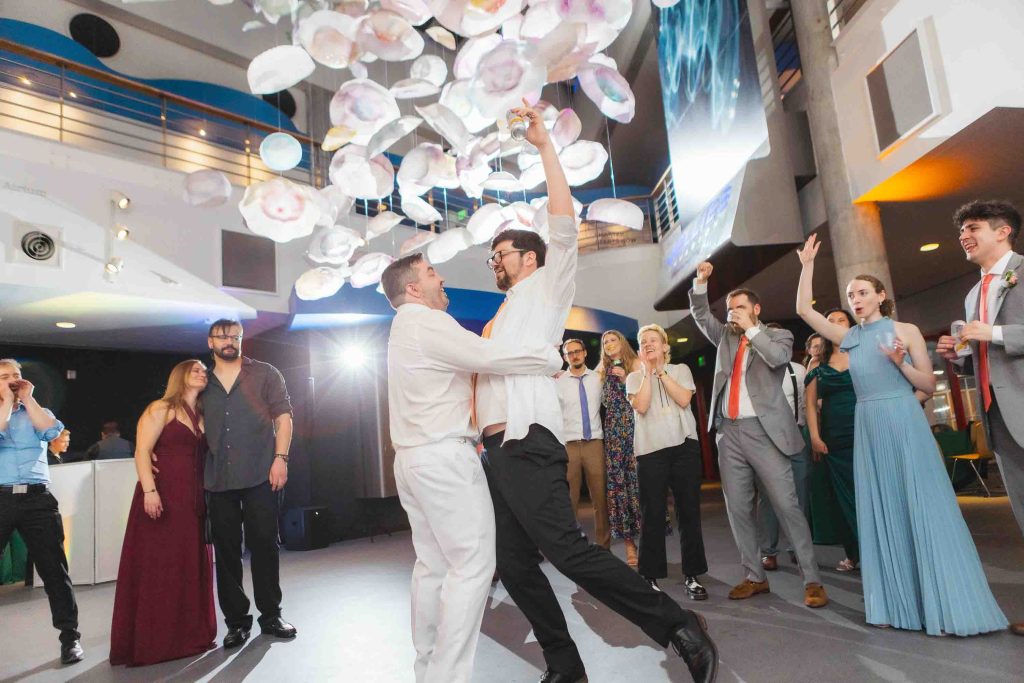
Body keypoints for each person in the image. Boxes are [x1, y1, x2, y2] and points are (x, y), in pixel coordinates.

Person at [476, 100, 717, 683]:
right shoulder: (506, 311)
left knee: (568, 552)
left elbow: (561, 220)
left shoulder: (545, 286)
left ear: (527, 258)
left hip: (528, 439)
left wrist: (542, 148)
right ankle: (565, 663)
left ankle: (678, 626)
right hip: (496, 449)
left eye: (499, 254)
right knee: (513, 564)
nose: (493, 262)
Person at [796, 233, 1007, 635]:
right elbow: (803, 309)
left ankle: (944, 605)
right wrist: (807, 267)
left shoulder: (906, 331)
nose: (854, 299)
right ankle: (901, 606)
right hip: (869, 425)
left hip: (904, 417)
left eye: (861, 292)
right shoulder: (851, 338)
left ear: (879, 295)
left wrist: (899, 364)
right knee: (885, 509)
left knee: (922, 506)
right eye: (849, 294)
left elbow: (927, 384)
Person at [382, 253, 562, 683]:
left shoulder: (402, 328)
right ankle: (447, 677)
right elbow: (490, 356)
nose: (440, 278)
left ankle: (427, 669)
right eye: (430, 273)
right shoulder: (426, 321)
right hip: (444, 457)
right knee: (474, 565)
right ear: (412, 289)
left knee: (433, 566)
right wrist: (548, 360)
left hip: (412, 460)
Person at [689, 265, 827, 608]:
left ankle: (812, 580)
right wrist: (702, 283)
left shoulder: (778, 337)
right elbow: (701, 313)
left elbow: (778, 358)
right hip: (729, 432)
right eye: (730, 308)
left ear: (756, 310)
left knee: (786, 505)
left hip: (765, 432)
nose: (732, 313)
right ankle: (754, 577)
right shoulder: (725, 337)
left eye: (739, 307)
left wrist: (751, 330)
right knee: (738, 510)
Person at [937, 199, 1024, 636]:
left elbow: (999, 338)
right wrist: (958, 358)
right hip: (997, 415)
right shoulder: (974, 292)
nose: (963, 238)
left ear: (1003, 231)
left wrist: (994, 333)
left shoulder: (1023, 271)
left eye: (972, 227)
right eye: (960, 232)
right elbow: (979, 360)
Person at [110, 360, 216, 666]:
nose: (202, 373)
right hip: (163, 494)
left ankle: (188, 636)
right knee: (161, 566)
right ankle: (156, 641)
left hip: (194, 498)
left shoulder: (203, 414)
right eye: (195, 369)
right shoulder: (160, 408)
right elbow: (142, 451)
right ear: (179, 376)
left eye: (204, 371)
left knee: (188, 564)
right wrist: (150, 491)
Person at [203, 319, 296, 648]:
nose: (229, 341)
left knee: (265, 544)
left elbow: (284, 418)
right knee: (226, 552)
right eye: (222, 336)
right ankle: (236, 623)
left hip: (261, 473)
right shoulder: (200, 380)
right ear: (210, 341)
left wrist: (280, 458)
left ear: (242, 339)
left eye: (235, 336)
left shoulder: (266, 373)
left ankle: (270, 616)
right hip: (218, 478)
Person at [0, 358, 82, 664]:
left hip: (37, 500)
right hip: (1, 497)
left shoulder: (38, 411)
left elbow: (50, 433)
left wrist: (28, 399)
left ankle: (70, 639)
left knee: (54, 573)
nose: (12, 379)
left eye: (16, 375)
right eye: (4, 376)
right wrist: (7, 402)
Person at [626, 324, 708, 600]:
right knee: (652, 514)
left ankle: (692, 576)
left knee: (689, 512)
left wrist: (660, 371)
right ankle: (649, 577)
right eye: (643, 341)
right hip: (650, 451)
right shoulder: (634, 378)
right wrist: (648, 372)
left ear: (664, 346)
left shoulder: (681, 370)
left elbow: (684, 399)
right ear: (640, 350)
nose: (648, 344)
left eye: (653, 340)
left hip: (684, 447)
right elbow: (642, 406)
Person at [805, 308, 859, 572]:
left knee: (868, 494)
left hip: (866, 430)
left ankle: (877, 551)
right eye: (830, 322)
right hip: (834, 438)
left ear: (851, 325)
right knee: (844, 497)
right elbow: (810, 404)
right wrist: (815, 436)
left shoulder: (862, 352)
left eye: (841, 320)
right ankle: (853, 553)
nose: (836, 325)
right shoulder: (818, 363)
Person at [755, 323, 810, 572]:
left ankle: (799, 549)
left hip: (794, 436)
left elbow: (805, 406)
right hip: (764, 439)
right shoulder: (754, 370)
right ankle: (769, 550)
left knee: (799, 495)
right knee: (767, 498)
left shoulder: (798, 370)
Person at [555, 338, 610, 549]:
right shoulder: (558, 382)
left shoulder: (598, 379)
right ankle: (572, 547)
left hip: (594, 443)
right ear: (564, 357)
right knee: (570, 500)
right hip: (568, 445)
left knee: (600, 498)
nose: (574, 355)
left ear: (585, 353)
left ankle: (603, 546)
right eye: (570, 353)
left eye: (578, 351)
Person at [599, 330, 643, 567]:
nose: (608, 344)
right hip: (613, 432)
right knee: (619, 486)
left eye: (613, 340)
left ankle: (648, 539)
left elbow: (647, 392)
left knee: (638, 482)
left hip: (635, 427)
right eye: (605, 342)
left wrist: (627, 379)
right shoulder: (601, 371)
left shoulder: (635, 363)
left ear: (622, 342)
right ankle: (629, 544)